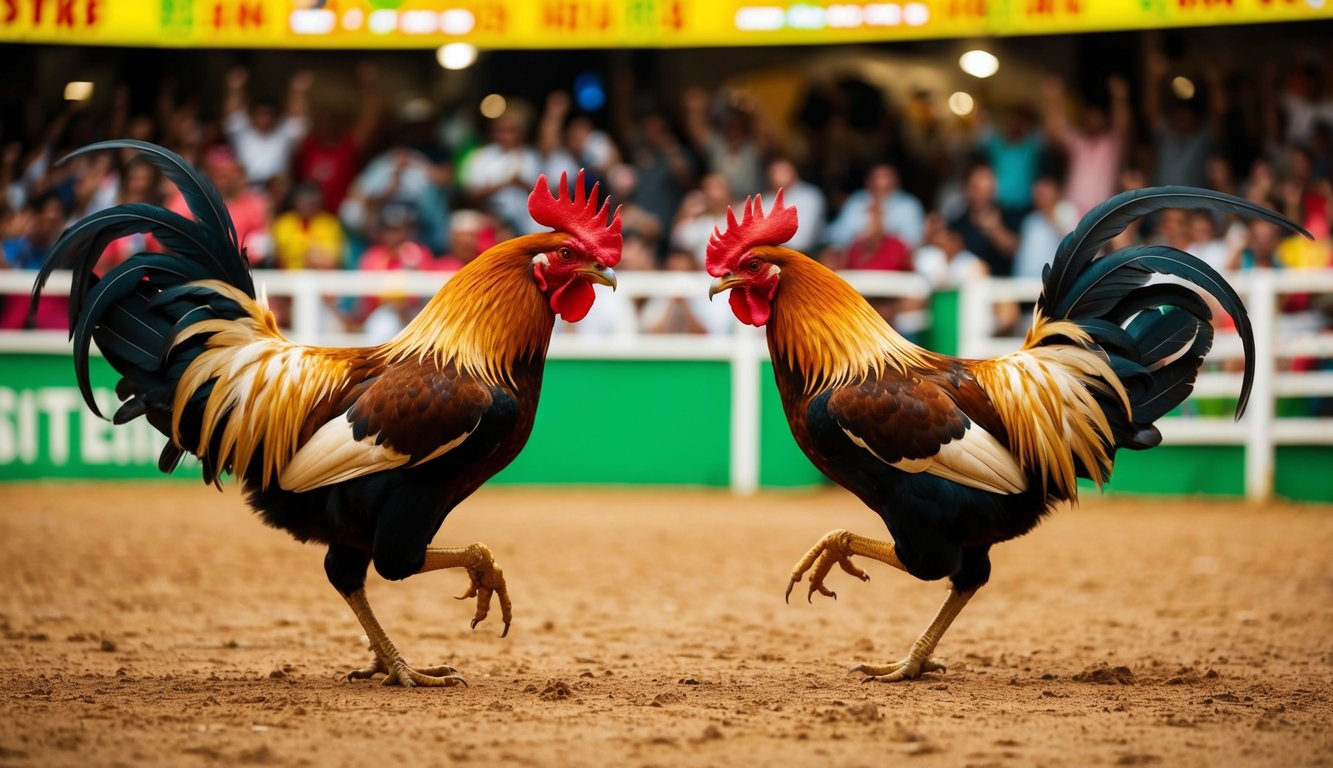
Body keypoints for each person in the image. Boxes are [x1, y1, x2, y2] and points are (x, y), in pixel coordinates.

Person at [1042, 75, 1131, 217]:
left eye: (1096, 116)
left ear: (1105, 119)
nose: (1092, 120)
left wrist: (1119, 99)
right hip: (1071, 211)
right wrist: (1053, 98)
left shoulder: (1111, 144)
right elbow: (1055, 131)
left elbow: (1122, 127)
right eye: (1089, 116)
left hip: (1102, 213)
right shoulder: (1078, 141)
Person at [222, 68, 313, 188]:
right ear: (252, 116)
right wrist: (235, 89)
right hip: (246, 188)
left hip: (277, 190)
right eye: (260, 114)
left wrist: (298, 92)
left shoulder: (284, 133)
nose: (264, 119)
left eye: (269, 114)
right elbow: (232, 116)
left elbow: (298, 121)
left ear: (276, 116)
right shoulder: (242, 132)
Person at [461, 113, 542, 235]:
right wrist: (502, 184)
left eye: (511, 131)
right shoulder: (480, 156)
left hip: (525, 217)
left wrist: (521, 183)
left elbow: (543, 196)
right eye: (501, 131)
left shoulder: (531, 157)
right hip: (490, 215)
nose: (506, 136)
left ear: (520, 134)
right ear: (493, 133)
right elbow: (470, 196)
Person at [824, 162, 924, 252]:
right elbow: (835, 234)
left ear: (896, 180)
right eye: (876, 177)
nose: (881, 182)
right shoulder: (857, 201)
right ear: (868, 181)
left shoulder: (908, 205)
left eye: (886, 177)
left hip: (895, 261)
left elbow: (914, 240)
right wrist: (858, 237)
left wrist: (881, 236)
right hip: (857, 259)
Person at [947, 162, 1021, 278]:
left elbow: (1018, 252)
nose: (982, 195)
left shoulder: (1009, 216)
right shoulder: (956, 224)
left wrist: (996, 231)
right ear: (966, 188)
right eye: (977, 188)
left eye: (987, 189)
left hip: (1002, 289)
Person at [1012, 175, 1078, 279]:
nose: (1041, 195)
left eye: (1045, 190)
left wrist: (1050, 214)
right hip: (1026, 280)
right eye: (1038, 192)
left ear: (1056, 191)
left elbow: (1073, 242)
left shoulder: (1066, 211)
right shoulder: (1031, 220)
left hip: (1053, 281)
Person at [271, 182, 345, 271]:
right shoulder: (283, 223)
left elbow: (334, 256)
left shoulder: (330, 223)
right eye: (305, 201)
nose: (309, 205)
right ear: (296, 201)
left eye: (312, 202)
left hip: (322, 276)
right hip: (290, 276)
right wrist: (310, 253)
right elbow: (284, 253)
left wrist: (312, 255)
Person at [764, 158, 825, 253]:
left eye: (784, 170)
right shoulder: (767, 200)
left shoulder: (810, 196)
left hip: (806, 255)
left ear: (794, 171)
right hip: (771, 254)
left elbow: (803, 241)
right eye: (775, 171)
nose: (779, 175)